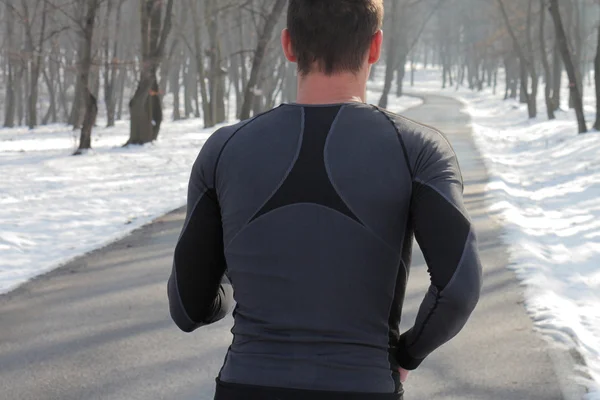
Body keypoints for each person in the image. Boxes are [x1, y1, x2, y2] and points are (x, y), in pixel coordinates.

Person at [167, 1, 483, 399]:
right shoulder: (418, 149)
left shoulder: (224, 148)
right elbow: (458, 290)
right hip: (364, 384)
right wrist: (406, 355)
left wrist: (226, 294)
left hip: (247, 383)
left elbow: (187, 307)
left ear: (288, 45)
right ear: (375, 47)